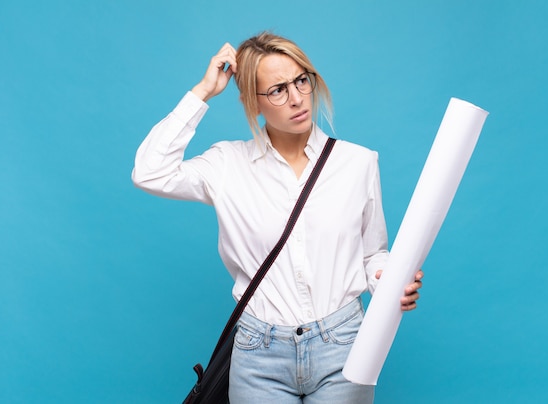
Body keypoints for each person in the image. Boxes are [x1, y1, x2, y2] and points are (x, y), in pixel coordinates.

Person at [132, 31, 423, 403]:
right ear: (252, 103)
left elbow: (372, 254)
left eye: (302, 80)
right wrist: (202, 92)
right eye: (278, 90)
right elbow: (149, 172)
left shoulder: (358, 162)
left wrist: (388, 280)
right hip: (259, 354)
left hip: (345, 345)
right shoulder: (227, 164)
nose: (298, 98)